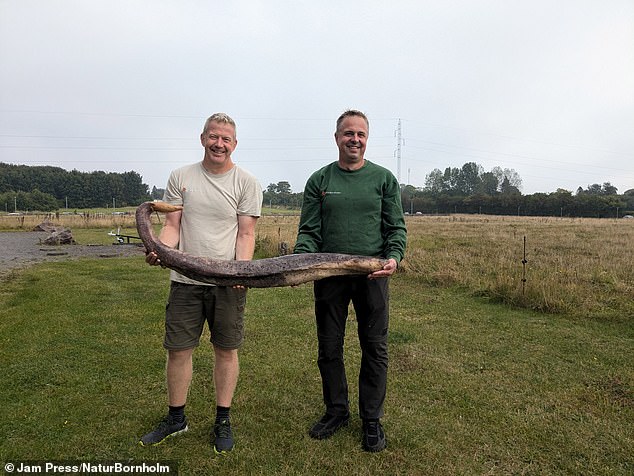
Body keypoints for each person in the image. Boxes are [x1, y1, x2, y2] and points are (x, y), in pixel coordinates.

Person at [139, 113, 262, 454]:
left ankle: (223, 418)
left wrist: (242, 273)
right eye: (213, 136)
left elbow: (246, 232)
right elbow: (172, 226)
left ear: (234, 144)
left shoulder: (246, 182)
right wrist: (160, 249)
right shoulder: (181, 177)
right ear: (202, 138)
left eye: (225, 139)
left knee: (226, 349)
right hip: (185, 280)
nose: (218, 143)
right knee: (178, 350)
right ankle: (176, 418)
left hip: (227, 282)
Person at [294, 110, 407, 452]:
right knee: (329, 346)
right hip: (328, 274)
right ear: (337, 138)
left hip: (371, 273)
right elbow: (309, 232)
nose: (354, 139)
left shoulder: (384, 179)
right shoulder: (320, 180)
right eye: (348, 133)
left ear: (367, 139)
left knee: (375, 346)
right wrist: (301, 260)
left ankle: (371, 420)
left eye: (360, 134)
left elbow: (395, 228)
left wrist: (394, 258)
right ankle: (336, 411)